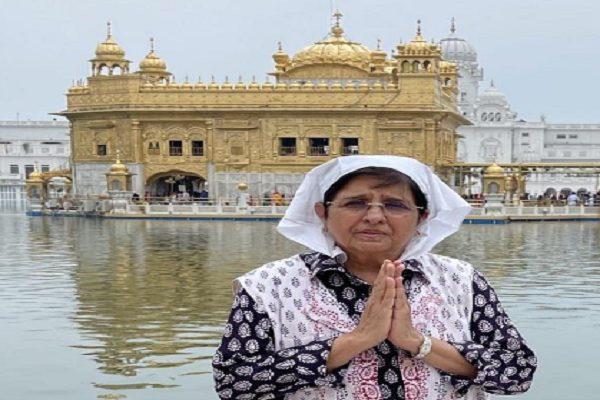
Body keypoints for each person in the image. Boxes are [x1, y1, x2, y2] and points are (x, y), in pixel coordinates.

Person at [213, 156, 537, 399]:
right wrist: (356, 341)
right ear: (323, 213)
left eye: (394, 205)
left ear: (421, 217)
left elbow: (516, 371)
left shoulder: (460, 282)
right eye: (356, 203)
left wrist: (417, 342)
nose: (374, 217)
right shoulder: (270, 287)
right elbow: (233, 382)